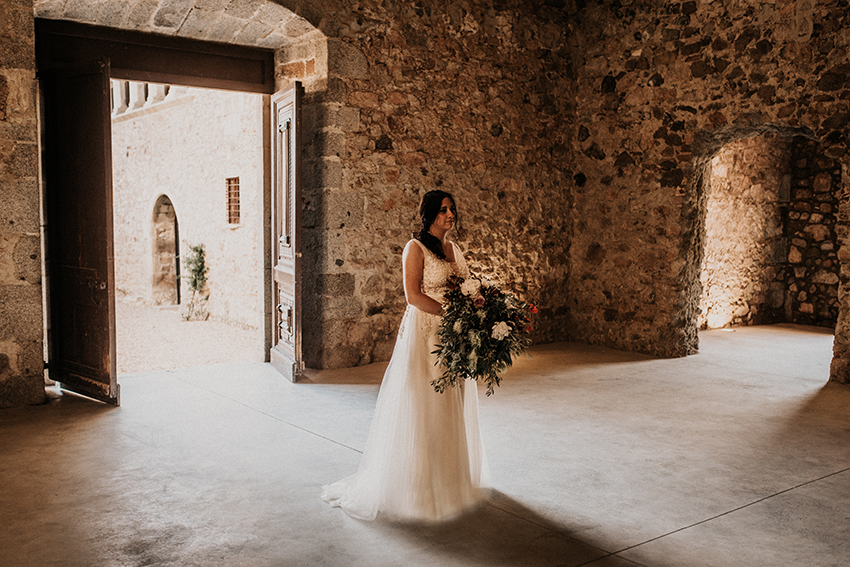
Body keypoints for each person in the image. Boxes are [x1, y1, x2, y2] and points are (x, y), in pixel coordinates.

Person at [321, 190, 489, 522]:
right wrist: (450, 313)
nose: (450, 215)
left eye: (452, 209)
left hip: (451, 336)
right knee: (424, 402)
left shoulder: (455, 249)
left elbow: (467, 283)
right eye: (443, 210)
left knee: (450, 401)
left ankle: (450, 480)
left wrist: (477, 302)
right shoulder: (415, 248)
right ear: (428, 215)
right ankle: (418, 487)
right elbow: (413, 295)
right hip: (425, 333)